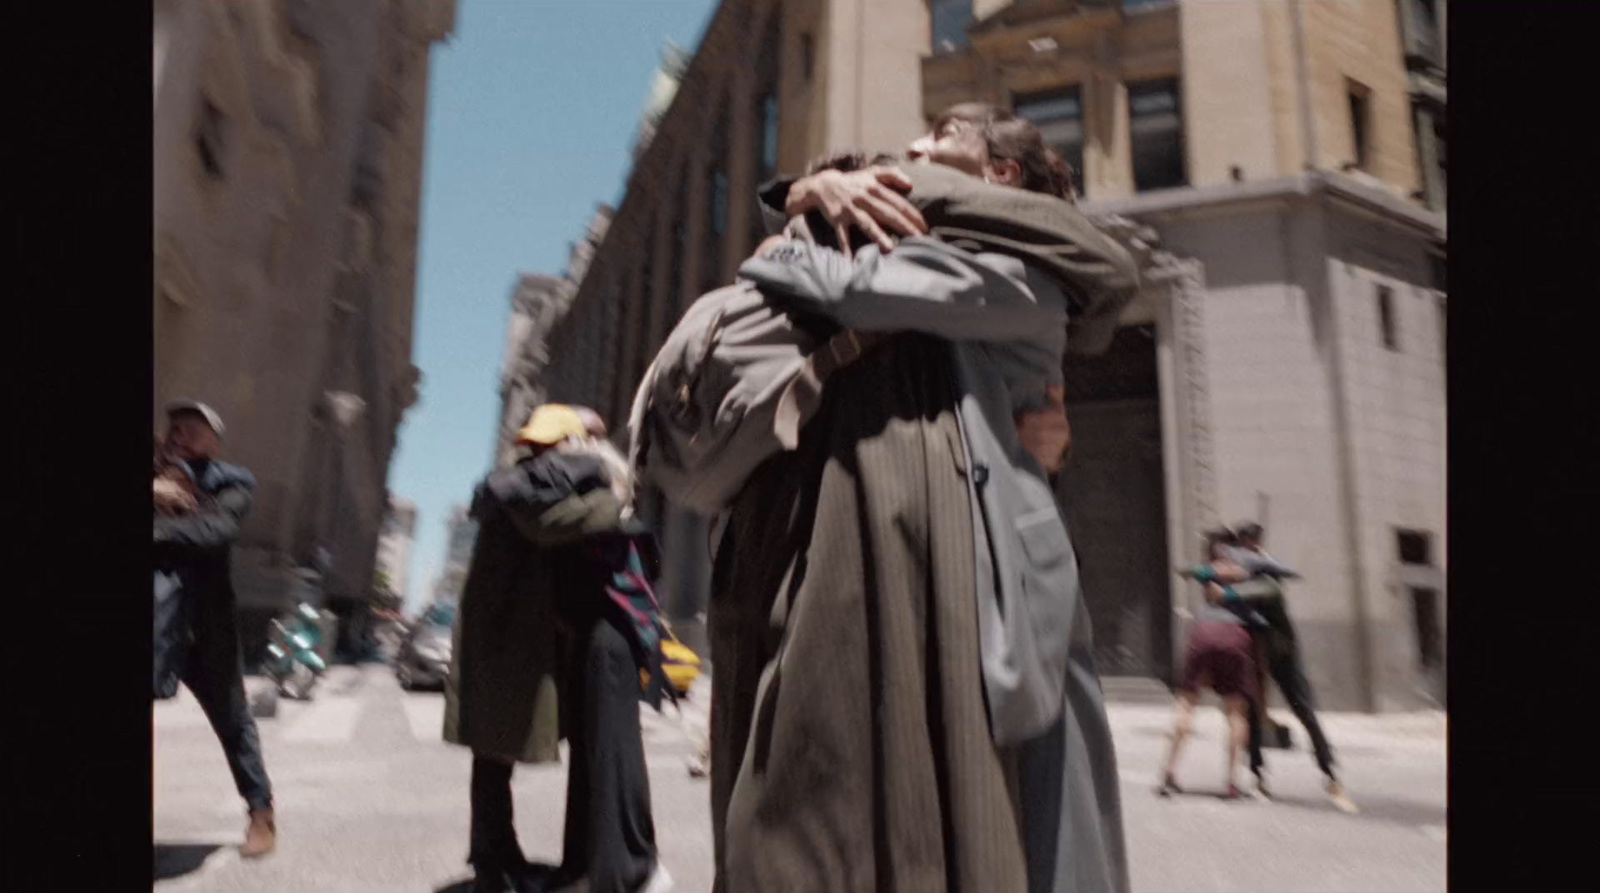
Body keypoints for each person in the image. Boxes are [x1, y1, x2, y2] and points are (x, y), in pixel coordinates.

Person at [705, 106, 1136, 893]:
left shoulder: (1025, 270)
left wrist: (779, 248)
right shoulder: (959, 252)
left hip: (996, 562)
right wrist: (809, 192)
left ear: (998, 174)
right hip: (943, 546)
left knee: (1036, 805)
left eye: (937, 139)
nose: (912, 149)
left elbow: (853, 291)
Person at [445, 404, 669, 893]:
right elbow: (560, 524)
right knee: (494, 756)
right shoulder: (528, 485)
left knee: (495, 756)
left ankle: (499, 861)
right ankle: (495, 864)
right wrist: (612, 497)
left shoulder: (526, 479)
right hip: (502, 638)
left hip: (511, 635)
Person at [152, 400, 276, 858]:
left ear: (214, 442)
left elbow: (217, 530)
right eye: (175, 425)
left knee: (232, 719)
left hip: (206, 627)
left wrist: (161, 525)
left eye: (193, 427)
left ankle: (261, 814)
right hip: (157, 620)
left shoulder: (232, 481)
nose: (180, 431)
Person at [1227, 521, 1356, 813]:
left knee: (1303, 709)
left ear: (1253, 540)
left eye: (1245, 541)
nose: (1242, 546)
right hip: (1256, 650)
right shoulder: (1244, 567)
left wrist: (1233, 590)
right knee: (1254, 713)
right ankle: (1258, 776)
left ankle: (1330, 773)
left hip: (1280, 651)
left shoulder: (1268, 570)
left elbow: (1262, 593)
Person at [1163, 531, 1265, 800]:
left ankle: (1169, 772)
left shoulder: (1208, 570)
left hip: (1204, 630)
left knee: (1186, 703)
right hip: (1235, 635)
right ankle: (1232, 782)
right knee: (1235, 712)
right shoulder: (1250, 568)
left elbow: (1184, 569)